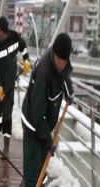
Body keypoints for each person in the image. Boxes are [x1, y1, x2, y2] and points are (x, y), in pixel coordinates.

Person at [21, 33, 74, 187]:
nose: (59, 63)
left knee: (42, 170)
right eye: (57, 59)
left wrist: (69, 92)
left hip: (43, 124)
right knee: (32, 172)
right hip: (33, 125)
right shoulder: (43, 74)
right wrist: (48, 141)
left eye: (62, 61)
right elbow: (37, 115)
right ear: (54, 54)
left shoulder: (61, 65)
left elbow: (64, 76)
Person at [0, 16, 30, 158]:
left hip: (10, 85)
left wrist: (26, 60)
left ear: (5, 30)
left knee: (7, 116)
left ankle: (6, 148)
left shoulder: (14, 37)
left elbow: (23, 47)